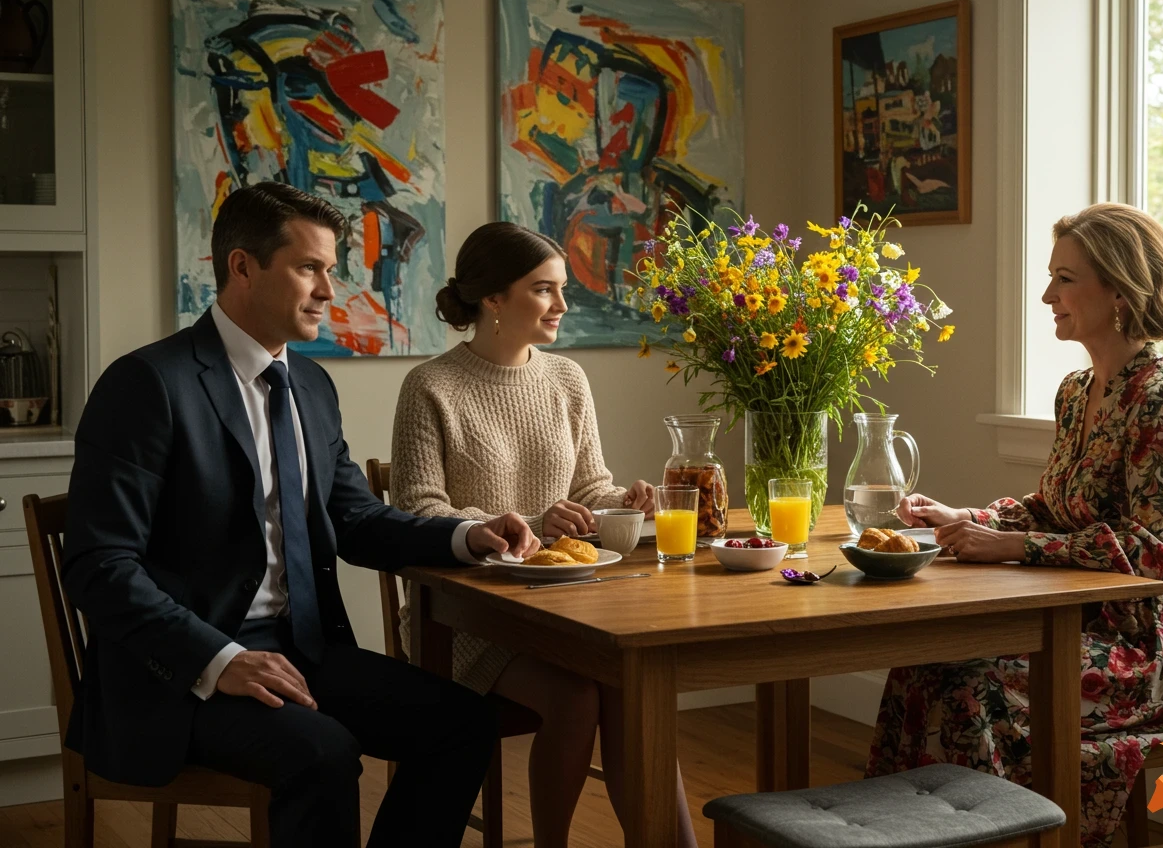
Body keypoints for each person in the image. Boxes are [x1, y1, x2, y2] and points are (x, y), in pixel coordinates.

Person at [60, 183, 540, 848]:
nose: (328, 289)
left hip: (303, 652)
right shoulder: (148, 385)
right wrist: (221, 658)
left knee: (463, 723)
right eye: (309, 268)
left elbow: (357, 521)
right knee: (323, 752)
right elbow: (97, 566)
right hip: (181, 674)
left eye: (331, 270)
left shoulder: (310, 385)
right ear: (242, 267)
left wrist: (466, 534)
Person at [867, 203, 1163, 847]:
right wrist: (965, 518)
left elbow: (1153, 549)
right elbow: (1051, 506)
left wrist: (1014, 546)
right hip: (1074, 621)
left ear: (1119, 288)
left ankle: (1011, 840)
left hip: (1150, 646)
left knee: (970, 685)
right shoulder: (1076, 389)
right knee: (923, 664)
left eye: (1064, 278)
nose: (1046, 295)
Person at [391, 221, 699, 848]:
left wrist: (627, 501)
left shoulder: (567, 380)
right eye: (544, 290)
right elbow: (419, 511)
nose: (563, 305)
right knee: (577, 699)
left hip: (568, 605)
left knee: (634, 690)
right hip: (464, 614)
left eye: (562, 290)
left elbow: (590, 489)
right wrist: (529, 525)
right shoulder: (430, 386)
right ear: (493, 299)